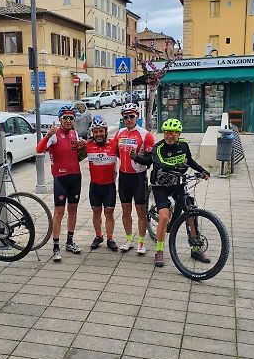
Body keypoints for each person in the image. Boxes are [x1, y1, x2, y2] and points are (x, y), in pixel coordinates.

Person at [150, 118, 210, 267]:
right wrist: (174, 166)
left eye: (174, 133)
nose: (170, 136)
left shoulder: (183, 145)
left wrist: (202, 170)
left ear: (179, 134)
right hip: (161, 186)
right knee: (164, 217)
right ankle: (159, 251)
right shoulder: (158, 147)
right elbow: (158, 163)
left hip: (178, 184)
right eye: (167, 133)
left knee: (192, 212)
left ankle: (196, 249)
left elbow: (189, 160)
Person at [35, 104, 86, 262]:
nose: (69, 120)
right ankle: (56, 246)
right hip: (61, 179)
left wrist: (81, 146)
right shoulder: (54, 134)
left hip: (76, 177)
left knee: (73, 210)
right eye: (66, 118)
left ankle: (70, 242)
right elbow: (38, 150)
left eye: (71, 118)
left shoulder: (74, 133)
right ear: (60, 119)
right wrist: (46, 136)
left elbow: (75, 154)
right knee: (59, 212)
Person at [114, 103, 155, 254]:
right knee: (125, 210)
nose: (129, 119)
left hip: (139, 178)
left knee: (140, 211)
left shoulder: (146, 135)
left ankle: (141, 242)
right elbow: (117, 153)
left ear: (137, 117)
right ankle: (129, 238)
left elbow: (149, 160)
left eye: (131, 116)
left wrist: (136, 157)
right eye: (126, 117)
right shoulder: (119, 134)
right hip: (124, 177)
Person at [86, 115, 118, 252]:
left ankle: (110, 238)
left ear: (105, 131)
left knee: (109, 213)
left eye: (101, 131)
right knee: (96, 212)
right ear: (93, 133)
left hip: (109, 186)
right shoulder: (87, 145)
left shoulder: (113, 145)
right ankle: (98, 236)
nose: (98, 134)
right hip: (95, 186)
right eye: (96, 131)